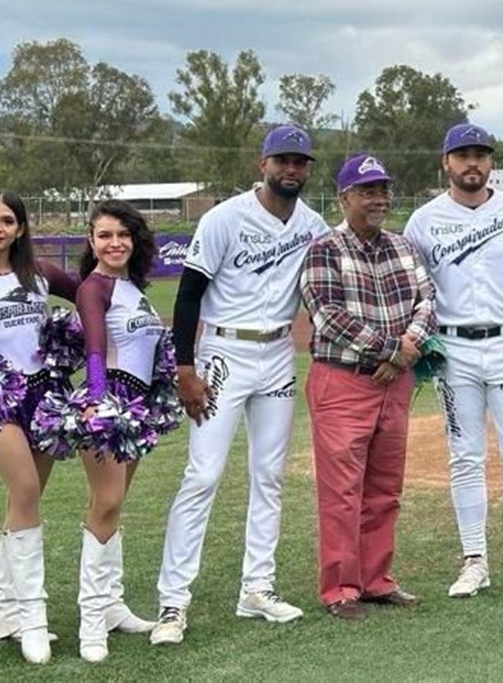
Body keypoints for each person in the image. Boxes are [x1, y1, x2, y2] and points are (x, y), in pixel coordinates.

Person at [151, 125, 330, 644]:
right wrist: (185, 367)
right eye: (283, 161)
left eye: (300, 162)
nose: (291, 170)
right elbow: (188, 297)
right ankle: (173, 602)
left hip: (277, 353)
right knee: (203, 474)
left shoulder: (313, 224)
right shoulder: (224, 217)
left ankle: (258, 588)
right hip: (224, 352)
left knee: (269, 474)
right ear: (263, 164)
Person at [403, 123, 503, 598]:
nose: (473, 163)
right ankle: (475, 561)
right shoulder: (424, 220)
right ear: (446, 162)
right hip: (453, 352)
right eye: (462, 155)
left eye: (481, 155)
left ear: (491, 162)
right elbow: (412, 289)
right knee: (465, 457)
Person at [300, 154, 436, 620]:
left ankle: (376, 580)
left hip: (393, 382)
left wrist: (406, 348)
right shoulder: (324, 249)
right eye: (367, 191)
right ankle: (340, 588)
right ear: (344, 198)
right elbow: (328, 315)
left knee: (384, 487)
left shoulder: (403, 246)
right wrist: (389, 350)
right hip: (343, 381)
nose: (379, 199)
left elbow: (427, 301)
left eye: (383, 190)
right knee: (341, 491)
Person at [63, 200, 176, 661]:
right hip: (108, 403)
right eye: (104, 235)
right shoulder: (95, 288)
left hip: (137, 406)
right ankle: (92, 619)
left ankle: (111, 605)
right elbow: (94, 347)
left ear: (134, 239)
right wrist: (97, 401)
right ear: (91, 241)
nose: (115, 243)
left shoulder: (134, 288)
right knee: (106, 502)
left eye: (122, 234)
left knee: (113, 504)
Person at [0, 191, 79, 664]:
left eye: (6, 220)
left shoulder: (38, 275)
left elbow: (91, 294)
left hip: (44, 392)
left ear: (20, 229)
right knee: (24, 490)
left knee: (27, 494)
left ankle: (6, 608)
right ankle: (32, 618)